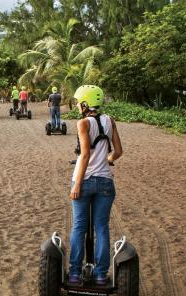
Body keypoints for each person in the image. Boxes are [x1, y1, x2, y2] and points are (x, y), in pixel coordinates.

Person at [68, 85, 123, 286]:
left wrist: (77, 185)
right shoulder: (110, 121)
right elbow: (118, 151)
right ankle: (101, 275)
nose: (76, 105)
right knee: (101, 227)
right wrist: (107, 159)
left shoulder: (83, 123)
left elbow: (85, 155)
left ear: (84, 103)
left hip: (85, 181)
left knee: (79, 227)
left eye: (77, 102)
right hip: (105, 183)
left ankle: (74, 273)